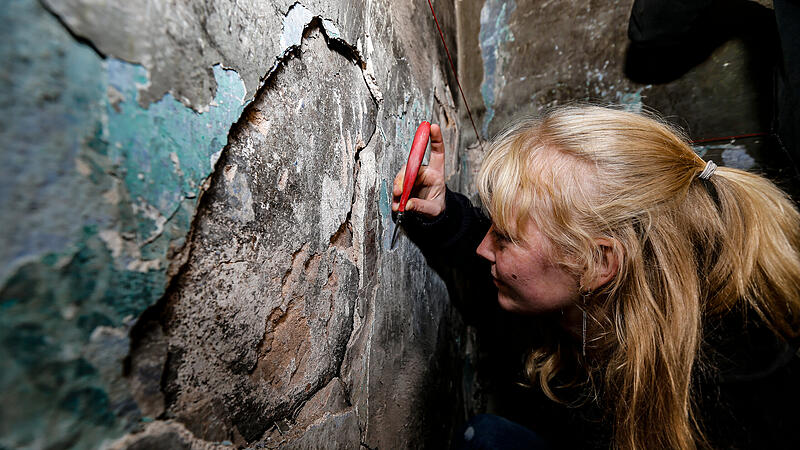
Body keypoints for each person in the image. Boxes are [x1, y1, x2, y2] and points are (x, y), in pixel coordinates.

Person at [392, 106, 800, 449]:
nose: (485, 248)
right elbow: (526, 261)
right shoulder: (631, 283)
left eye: (505, 238)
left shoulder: (734, 400)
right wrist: (446, 218)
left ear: (597, 264)